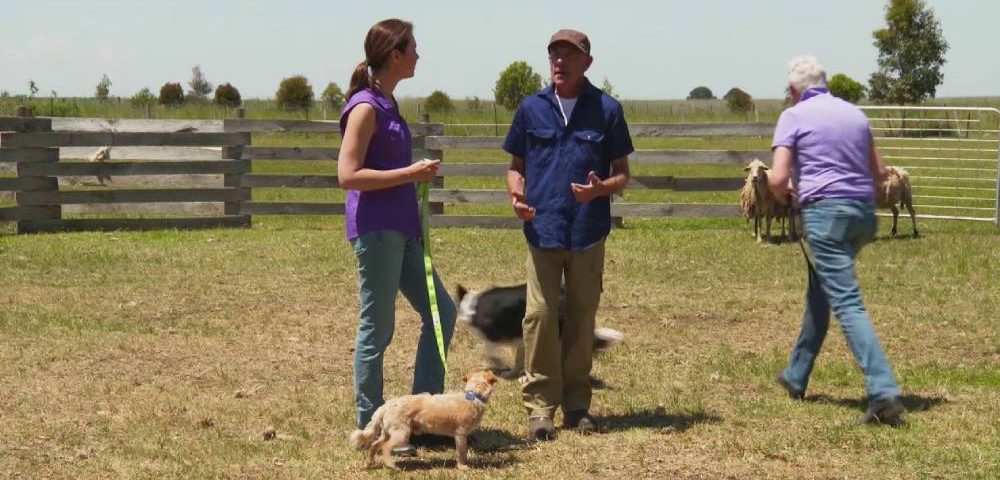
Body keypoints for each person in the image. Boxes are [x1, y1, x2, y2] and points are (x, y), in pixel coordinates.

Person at [503, 28, 633, 440]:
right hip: (541, 228)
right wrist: (515, 195)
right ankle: (539, 408)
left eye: (569, 56)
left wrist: (599, 190)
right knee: (539, 316)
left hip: (587, 231)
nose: (560, 62)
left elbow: (623, 175)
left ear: (587, 63)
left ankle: (577, 406)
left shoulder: (607, 109)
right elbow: (515, 166)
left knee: (581, 318)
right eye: (554, 55)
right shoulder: (531, 108)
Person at [338, 18, 457, 450]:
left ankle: (423, 416)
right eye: (413, 48)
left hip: (404, 231)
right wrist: (411, 172)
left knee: (442, 313)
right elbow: (347, 174)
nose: (418, 55)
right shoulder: (366, 106)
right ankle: (373, 427)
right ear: (395, 55)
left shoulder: (389, 103)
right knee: (378, 327)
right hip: (376, 231)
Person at [768, 55, 905, 425]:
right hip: (862, 214)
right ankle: (796, 375)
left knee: (847, 302)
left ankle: (883, 392)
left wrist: (785, 196)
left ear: (795, 90)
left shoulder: (793, 116)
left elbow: (778, 179)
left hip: (825, 214)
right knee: (822, 289)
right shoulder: (854, 114)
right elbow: (879, 170)